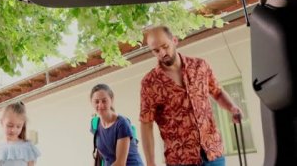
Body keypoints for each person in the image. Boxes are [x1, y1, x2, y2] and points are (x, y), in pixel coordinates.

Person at [139, 26, 242, 166]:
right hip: (180, 159)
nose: (162, 53)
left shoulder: (200, 66)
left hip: (213, 152)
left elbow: (217, 92)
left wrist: (232, 107)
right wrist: (150, 163)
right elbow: (146, 123)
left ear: (174, 40)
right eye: (156, 51)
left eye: (165, 46)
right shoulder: (150, 82)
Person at [90, 83, 144, 166]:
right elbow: (103, 157)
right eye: (96, 101)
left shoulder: (122, 123)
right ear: (91, 103)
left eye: (104, 101)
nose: (100, 105)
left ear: (111, 100)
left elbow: (120, 163)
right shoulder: (96, 124)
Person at [0, 101, 40, 166]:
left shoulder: (27, 147)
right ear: (2, 122)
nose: (13, 130)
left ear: (23, 125)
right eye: (10, 125)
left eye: (18, 126)